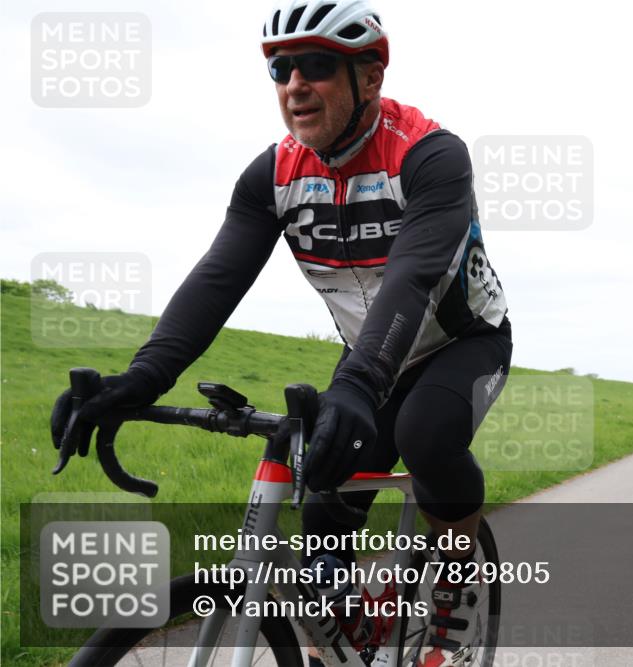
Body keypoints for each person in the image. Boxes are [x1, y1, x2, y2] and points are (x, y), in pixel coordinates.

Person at [49, 2, 510, 664]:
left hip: (462, 341)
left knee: (425, 435)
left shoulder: (431, 157)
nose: (294, 83)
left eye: (318, 65)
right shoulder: (273, 176)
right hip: (371, 353)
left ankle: (456, 584)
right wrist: (140, 377)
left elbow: (409, 281)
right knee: (319, 490)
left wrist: (355, 383)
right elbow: (216, 282)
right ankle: (339, 638)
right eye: (280, 67)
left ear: (371, 78)